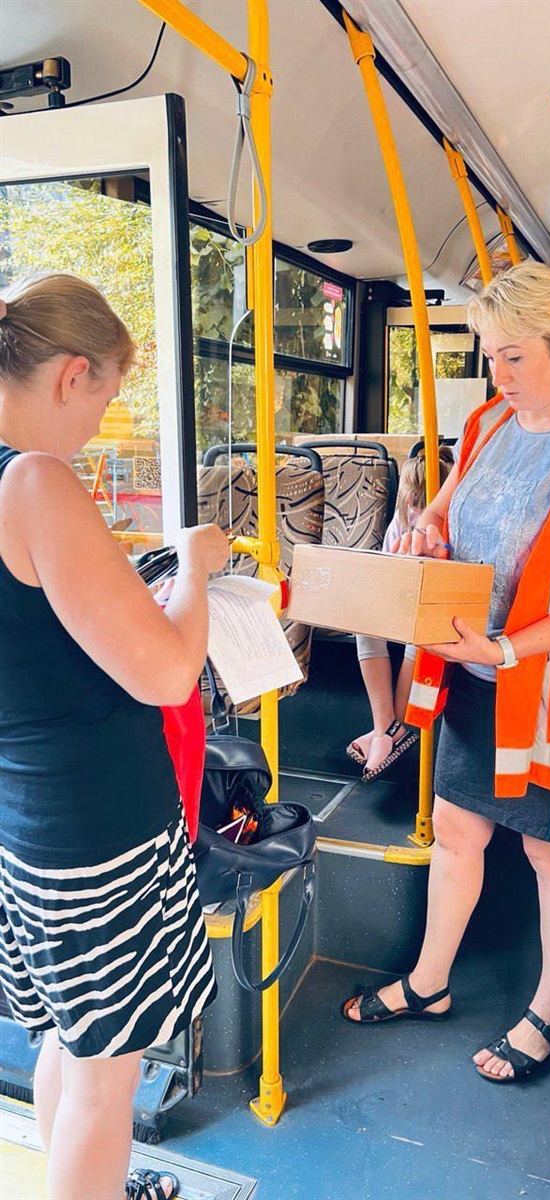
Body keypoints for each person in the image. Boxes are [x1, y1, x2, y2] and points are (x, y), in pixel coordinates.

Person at [342, 262, 550, 1084]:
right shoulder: (489, 421)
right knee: (458, 834)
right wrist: (422, 532)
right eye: (489, 355)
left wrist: (507, 649)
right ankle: (429, 983)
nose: (498, 374)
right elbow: (444, 509)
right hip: (474, 676)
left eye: (515, 356)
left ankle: (549, 1014)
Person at [0, 275, 232, 1199]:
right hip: (100, 832)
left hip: (26, 821)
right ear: (72, 374)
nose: (100, 424)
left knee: (70, 1038)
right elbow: (168, 672)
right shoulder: (35, 479)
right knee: (109, 1079)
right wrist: (196, 571)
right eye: (104, 398)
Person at [346, 448, 453, 780]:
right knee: (363, 620)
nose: (418, 511)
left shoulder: (450, 525)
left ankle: (391, 730)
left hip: (438, 609)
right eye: (413, 503)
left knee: (417, 628)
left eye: (425, 504)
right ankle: (385, 726)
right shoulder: (401, 521)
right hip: (404, 599)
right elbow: (387, 571)